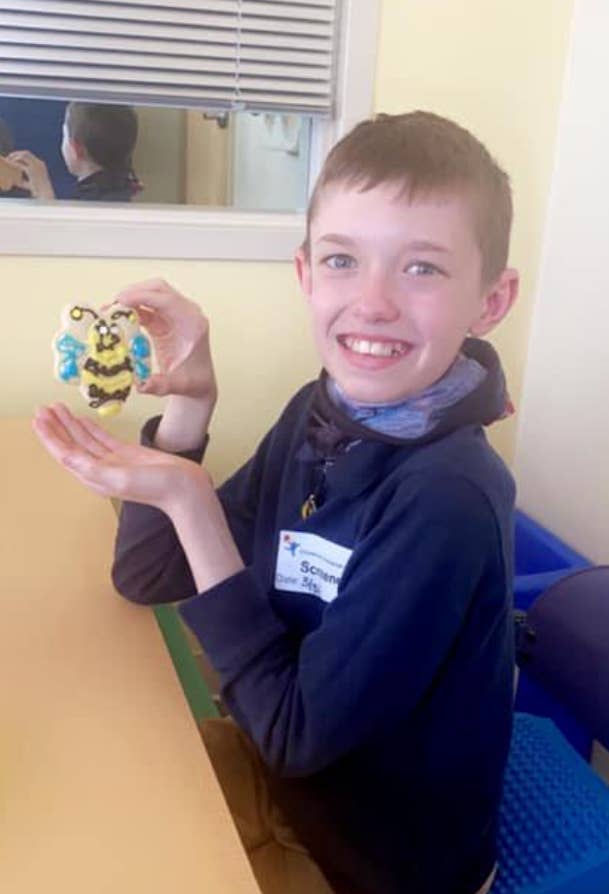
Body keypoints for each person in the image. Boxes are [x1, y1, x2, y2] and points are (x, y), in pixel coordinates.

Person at [33, 110, 519, 894]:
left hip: (373, 862)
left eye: (421, 268)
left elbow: (295, 733)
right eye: (341, 260)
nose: (373, 302)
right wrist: (190, 409)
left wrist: (191, 502)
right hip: (282, 770)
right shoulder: (320, 414)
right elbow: (147, 577)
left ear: (490, 302)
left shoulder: (448, 500)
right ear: (304, 275)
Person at [8, 102, 141, 201]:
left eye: (64, 135)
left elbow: (64, 235)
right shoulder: (122, 189)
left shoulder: (90, 204)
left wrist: (45, 195)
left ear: (77, 149)